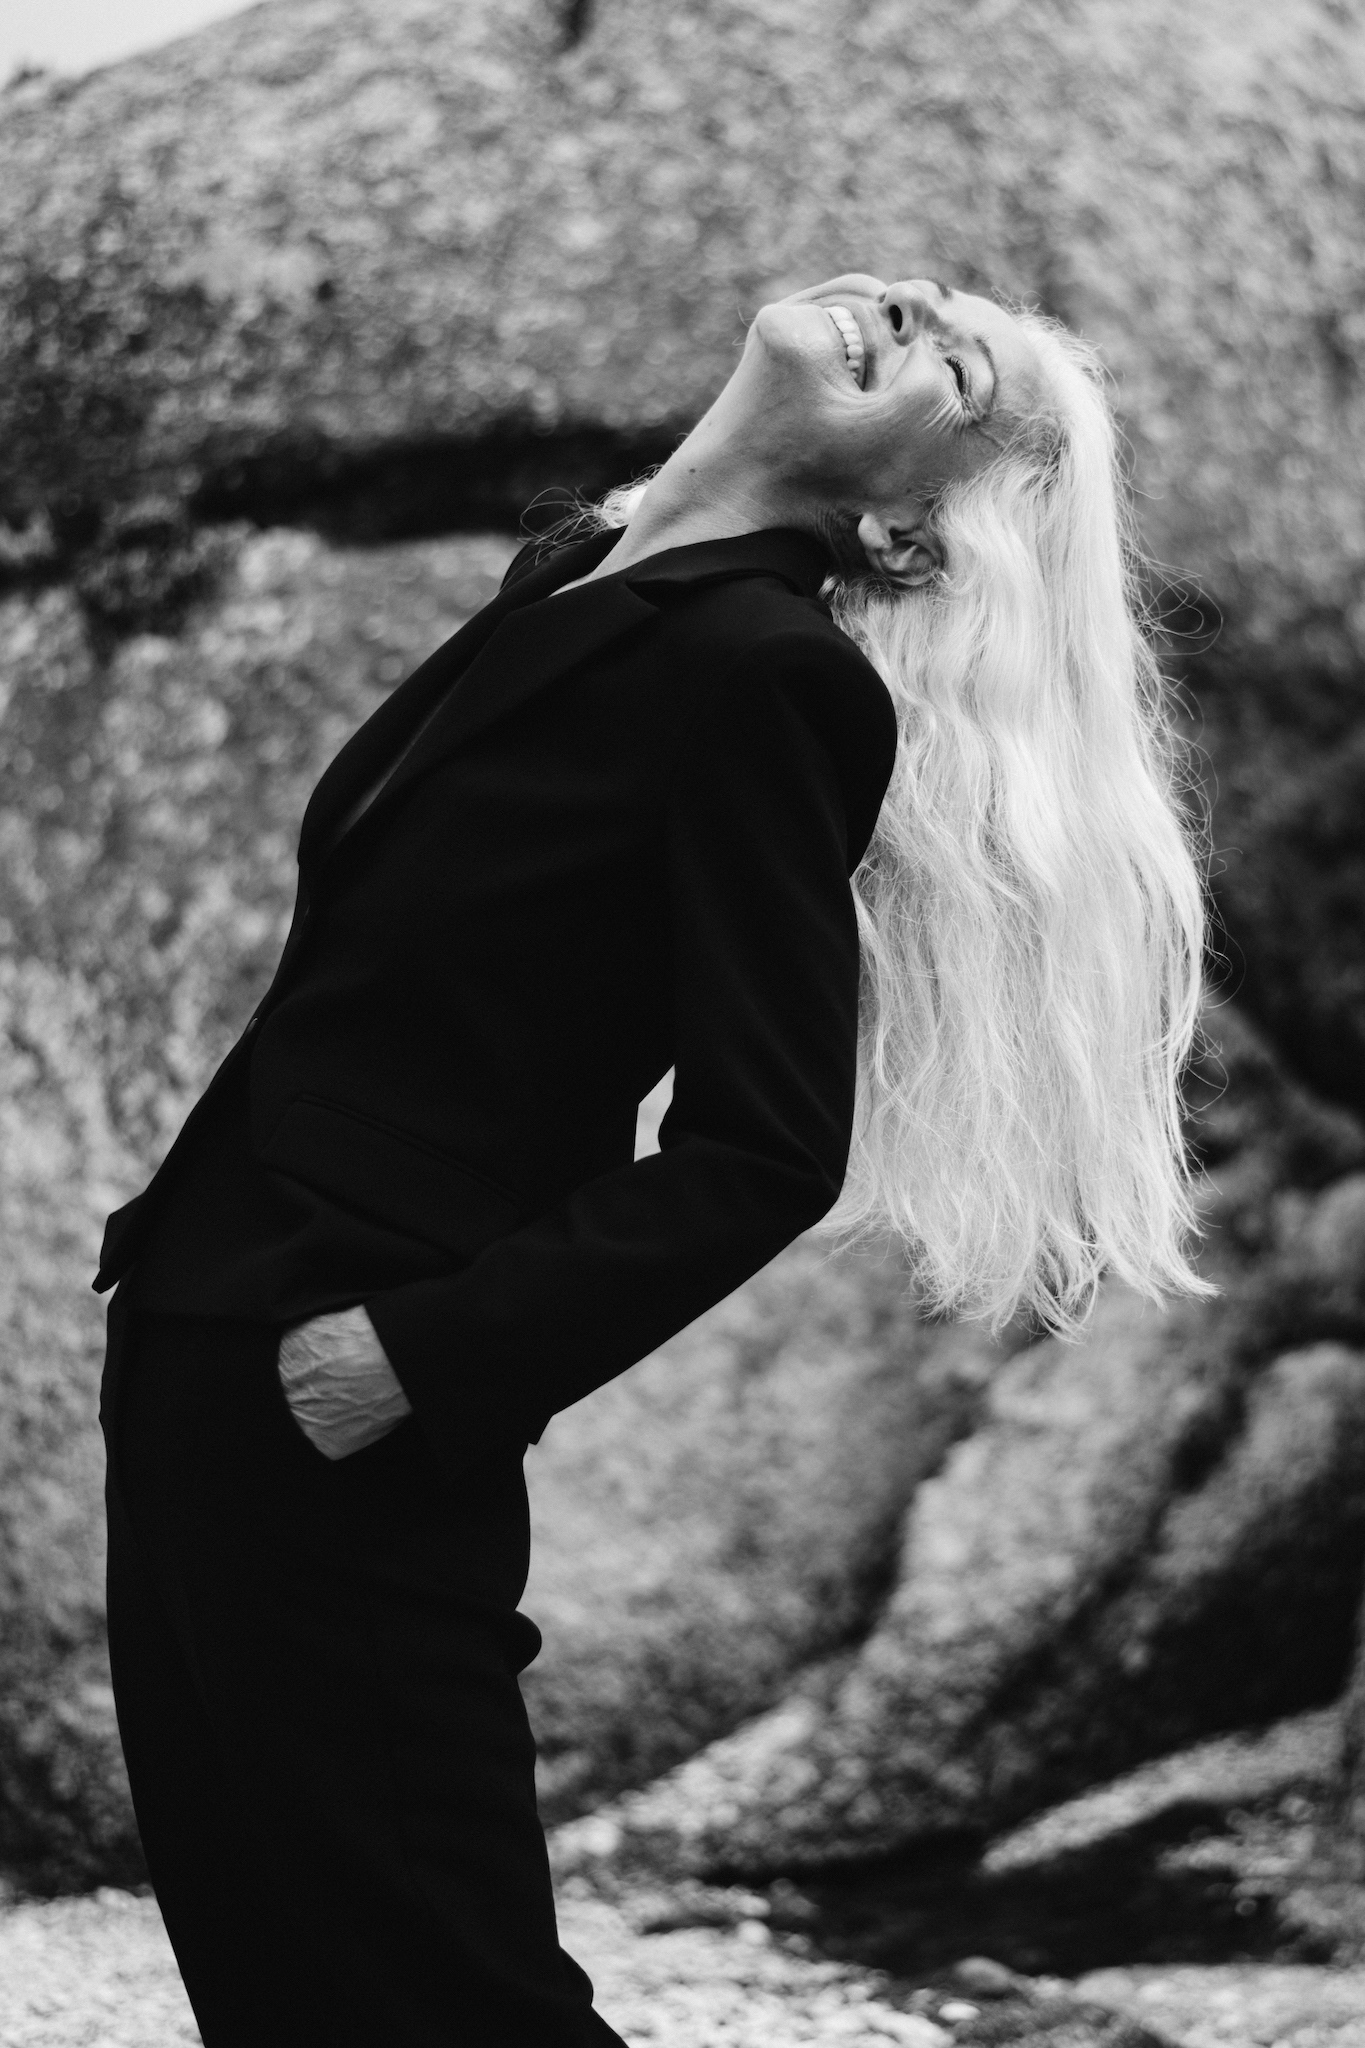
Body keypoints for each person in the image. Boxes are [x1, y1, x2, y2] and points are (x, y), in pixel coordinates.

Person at [94, 273, 1211, 2046]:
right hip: (193, 1326)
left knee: (440, 1983)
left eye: (955, 360)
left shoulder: (768, 675)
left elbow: (766, 1145)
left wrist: (416, 1362)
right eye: (928, 298)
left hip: (347, 1371)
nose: (914, 308)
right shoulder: (577, 586)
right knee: (271, 1955)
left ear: (912, 526)